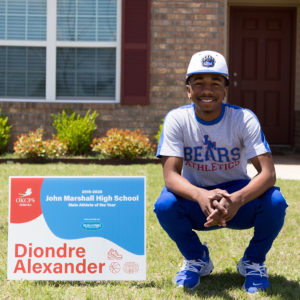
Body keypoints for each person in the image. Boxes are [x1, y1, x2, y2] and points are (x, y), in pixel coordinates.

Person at [154, 50, 288, 294]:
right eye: (199, 83)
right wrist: (200, 196)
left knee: (275, 202)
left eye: (215, 83)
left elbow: (267, 174)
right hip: (197, 198)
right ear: (188, 89)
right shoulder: (177, 119)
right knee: (165, 205)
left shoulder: (243, 118)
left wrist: (236, 200)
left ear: (225, 90)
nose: (207, 90)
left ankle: (253, 261)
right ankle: (197, 258)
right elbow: (171, 176)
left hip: (237, 195)